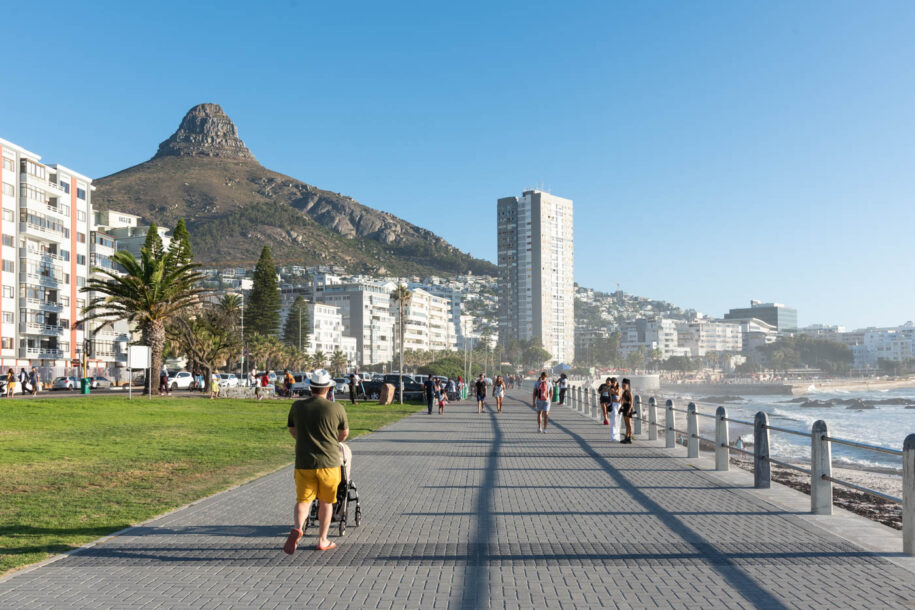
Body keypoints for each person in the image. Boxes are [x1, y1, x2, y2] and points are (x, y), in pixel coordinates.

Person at [284, 369, 349, 554]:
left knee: (303, 501)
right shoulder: (337, 408)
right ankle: (322, 540)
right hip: (329, 463)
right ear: (328, 388)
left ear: (310, 387)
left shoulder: (297, 407)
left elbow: (292, 430)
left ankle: (298, 528)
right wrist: (331, 440)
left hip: (304, 462)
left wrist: (304, 439)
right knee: (326, 502)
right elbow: (343, 434)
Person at [620, 378, 634, 444]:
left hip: (628, 408)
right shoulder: (624, 392)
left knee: (629, 424)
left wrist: (629, 410)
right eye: (622, 385)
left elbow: (631, 402)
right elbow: (622, 401)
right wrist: (620, 408)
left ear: (628, 385)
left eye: (624, 385)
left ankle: (630, 437)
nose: (623, 386)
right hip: (625, 407)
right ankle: (626, 436)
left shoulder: (629, 392)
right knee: (626, 424)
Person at [608, 377, 622, 442]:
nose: (613, 384)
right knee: (613, 421)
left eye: (614, 382)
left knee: (618, 420)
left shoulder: (619, 388)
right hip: (614, 405)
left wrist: (615, 392)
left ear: (616, 382)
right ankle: (613, 436)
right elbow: (614, 393)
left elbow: (619, 393)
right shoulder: (611, 388)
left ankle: (617, 436)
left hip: (619, 405)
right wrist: (615, 392)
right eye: (612, 383)